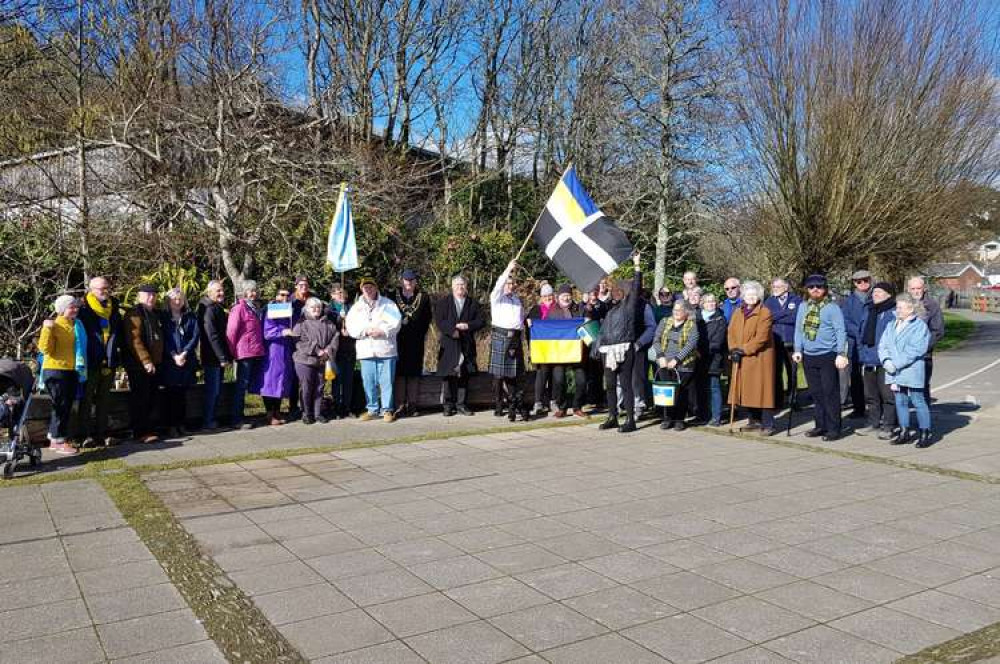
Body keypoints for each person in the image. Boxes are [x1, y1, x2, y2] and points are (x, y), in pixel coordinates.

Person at [793, 274, 849, 441]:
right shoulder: (803, 307)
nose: (815, 290)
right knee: (816, 393)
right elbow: (798, 329)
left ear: (825, 289)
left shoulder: (832, 308)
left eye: (818, 286)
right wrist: (798, 349)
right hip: (809, 355)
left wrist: (841, 353)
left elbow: (840, 331)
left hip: (828, 355)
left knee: (830, 392)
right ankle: (820, 425)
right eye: (811, 287)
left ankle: (834, 428)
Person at [74, 276, 124, 447]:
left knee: (104, 399)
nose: (105, 291)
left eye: (107, 288)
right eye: (101, 289)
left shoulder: (114, 307)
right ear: (91, 290)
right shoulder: (83, 309)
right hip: (90, 361)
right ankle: (84, 435)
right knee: (86, 399)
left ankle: (103, 434)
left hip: (109, 359)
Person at [879, 293, 933, 447]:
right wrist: (886, 361)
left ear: (911, 309)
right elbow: (882, 345)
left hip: (911, 369)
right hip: (893, 370)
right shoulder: (891, 324)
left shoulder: (919, 326)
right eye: (897, 306)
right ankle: (904, 431)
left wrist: (895, 364)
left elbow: (915, 350)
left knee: (917, 400)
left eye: (901, 307)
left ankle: (925, 432)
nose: (898, 310)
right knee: (900, 400)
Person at [597, 252, 643, 433]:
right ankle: (612, 416)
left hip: (625, 347)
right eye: (613, 292)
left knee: (625, 384)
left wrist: (637, 265)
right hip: (607, 349)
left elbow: (638, 286)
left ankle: (631, 419)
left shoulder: (629, 306)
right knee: (609, 385)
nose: (615, 294)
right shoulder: (608, 308)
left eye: (618, 292)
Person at [345, 276, 401, 421]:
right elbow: (351, 326)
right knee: (368, 382)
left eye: (371, 287)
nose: (368, 290)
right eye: (365, 288)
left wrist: (382, 331)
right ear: (361, 289)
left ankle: (387, 410)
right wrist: (365, 331)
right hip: (366, 350)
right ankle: (372, 409)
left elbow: (396, 323)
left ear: (376, 288)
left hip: (385, 349)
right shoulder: (356, 308)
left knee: (386, 382)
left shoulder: (388, 305)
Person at [728, 281, 778, 435]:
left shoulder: (765, 312)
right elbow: (730, 332)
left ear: (759, 296)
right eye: (748, 294)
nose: (751, 297)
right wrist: (734, 349)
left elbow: (761, 338)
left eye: (754, 294)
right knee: (748, 390)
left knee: (763, 391)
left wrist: (743, 349)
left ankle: (768, 424)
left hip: (760, 358)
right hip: (742, 357)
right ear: (743, 295)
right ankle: (753, 421)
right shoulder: (738, 312)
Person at [38, 295, 83, 455]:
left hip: (71, 370)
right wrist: (46, 329)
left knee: (65, 406)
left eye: (75, 306)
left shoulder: (75, 325)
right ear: (62, 309)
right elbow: (45, 349)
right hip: (56, 370)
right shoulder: (55, 325)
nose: (75, 309)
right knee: (60, 406)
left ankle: (55, 439)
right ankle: (59, 441)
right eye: (71, 307)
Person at [435, 275, 485, 416]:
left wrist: (468, 325)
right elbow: (439, 321)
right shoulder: (443, 303)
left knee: (464, 375)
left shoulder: (472, 303)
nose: (460, 287)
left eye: (462, 284)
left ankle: (461, 404)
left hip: (466, 343)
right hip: (449, 344)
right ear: (452, 286)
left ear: (466, 286)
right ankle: (448, 405)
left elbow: (481, 321)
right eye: (457, 285)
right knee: (448, 375)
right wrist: (452, 331)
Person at [285, 297, 339, 424]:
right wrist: (317, 350)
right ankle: (306, 413)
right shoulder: (300, 323)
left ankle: (318, 412)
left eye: (318, 307)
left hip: (322, 360)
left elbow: (335, 337)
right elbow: (299, 341)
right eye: (312, 307)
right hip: (304, 360)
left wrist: (328, 350)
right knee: (306, 387)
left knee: (320, 387)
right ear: (307, 309)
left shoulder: (328, 323)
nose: (316, 309)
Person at [124, 285, 165, 443]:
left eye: (154, 295)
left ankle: (150, 429)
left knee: (152, 397)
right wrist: (146, 360)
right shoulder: (134, 314)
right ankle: (140, 431)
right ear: (139, 297)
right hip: (138, 365)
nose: (151, 298)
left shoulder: (154, 314)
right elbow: (134, 340)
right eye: (147, 295)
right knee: (141, 398)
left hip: (155, 363)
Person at [489, 260, 528, 421]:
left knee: (514, 375)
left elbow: (519, 319)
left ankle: (513, 404)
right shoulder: (496, 298)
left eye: (512, 283)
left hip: (515, 338)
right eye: (508, 283)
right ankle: (498, 404)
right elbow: (498, 284)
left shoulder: (517, 300)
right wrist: (508, 268)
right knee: (498, 375)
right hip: (501, 336)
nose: (510, 286)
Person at [858, 282, 897, 439]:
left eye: (879, 292)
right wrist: (862, 354)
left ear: (888, 295)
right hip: (868, 359)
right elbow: (861, 333)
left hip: (886, 361)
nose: (875, 294)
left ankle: (888, 426)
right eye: (874, 292)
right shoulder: (868, 310)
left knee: (888, 396)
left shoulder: (893, 312)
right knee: (871, 395)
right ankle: (873, 423)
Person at [652, 300, 700, 430]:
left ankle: (679, 419)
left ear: (686, 312)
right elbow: (656, 339)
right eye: (675, 310)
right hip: (664, 362)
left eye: (680, 310)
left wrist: (676, 360)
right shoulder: (664, 321)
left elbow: (691, 344)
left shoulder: (691, 325)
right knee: (667, 392)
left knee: (681, 393)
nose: (676, 313)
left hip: (683, 364)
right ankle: (667, 418)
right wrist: (661, 356)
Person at [160, 288, 199, 438]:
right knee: (171, 395)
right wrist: (174, 355)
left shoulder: (190, 317)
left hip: (186, 360)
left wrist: (184, 353)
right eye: (174, 299)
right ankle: (171, 426)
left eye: (180, 298)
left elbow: (194, 337)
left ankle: (181, 424)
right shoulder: (163, 318)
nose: (177, 301)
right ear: (168, 301)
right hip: (170, 362)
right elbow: (164, 339)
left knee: (183, 395)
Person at [392, 269, 432, 417]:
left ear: (416, 281)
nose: (409, 283)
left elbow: (427, 318)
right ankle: (400, 405)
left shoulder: (423, 297)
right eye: (406, 280)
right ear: (402, 280)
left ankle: (413, 405)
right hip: (398, 339)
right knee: (400, 373)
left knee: (414, 373)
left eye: (412, 280)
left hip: (416, 340)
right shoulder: (393, 296)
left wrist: (420, 334)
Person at [226, 280, 265, 430]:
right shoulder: (239, 309)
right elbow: (231, 332)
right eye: (250, 291)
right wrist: (231, 353)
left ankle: (243, 415)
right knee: (241, 386)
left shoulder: (255, 308)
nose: (253, 293)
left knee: (247, 385)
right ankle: (236, 419)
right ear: (244, 292)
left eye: (255, 290)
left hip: (255, 351)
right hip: (244, 353)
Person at [547, 284, 588, 418]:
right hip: (559, 353)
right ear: (558, 297)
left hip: (577, 351)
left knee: (581, 380)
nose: (567, 297)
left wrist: (588, 312)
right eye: (564, 295)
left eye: (569, 295)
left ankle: (577, 406)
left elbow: (587, 321)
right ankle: (562, 407)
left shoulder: (579, 309)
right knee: (558, 380)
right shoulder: (552, 312)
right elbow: (547, 331)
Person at [197, 281, 231, 431]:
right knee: (213, 391)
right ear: (209, 292)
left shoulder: (216, 308)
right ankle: (208, 421)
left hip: (217, 356)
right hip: (213, 358)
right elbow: (212, 335)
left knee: (216, 390)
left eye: (222, 290)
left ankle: (212, 419)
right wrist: (222, 357)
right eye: (218, 291)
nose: (221, 293)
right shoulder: (209, 310)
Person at [763, 278, 802, 407]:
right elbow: (768, 317)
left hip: (792, 341)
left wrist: (777, 316)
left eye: (778, 286)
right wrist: (786, 313)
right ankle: (778, 400)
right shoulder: (769, 301)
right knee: (776, 371)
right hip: (775, 342)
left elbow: (796, 317)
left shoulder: (796, 300)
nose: (775, 289)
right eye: (773, 286)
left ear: (786, 287)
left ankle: (793, 400)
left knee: (792, 371)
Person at [261, 287, 295, 426]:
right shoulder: (271, 309)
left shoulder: (289, 310)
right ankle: (269, 412)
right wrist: (283, 332)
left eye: (288, 295)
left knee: (281, 380)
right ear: (276, 295)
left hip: (286, 349)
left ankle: (277, 411)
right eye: (282, 295)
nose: (285, 297)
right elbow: (267, 332)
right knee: (271, 381)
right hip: (273, 350)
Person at [840, 269, 872, 419]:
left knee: (873, 375)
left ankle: (875, 407)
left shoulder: (875, 297)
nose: (863, 283)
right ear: (854, 283)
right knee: (855, 376)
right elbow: (845, 321)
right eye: (859, 281)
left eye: (866, 280)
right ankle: (859, 408)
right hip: (854, 342)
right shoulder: (848, 301)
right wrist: (858, 331)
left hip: (872, 341)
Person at [906, 277, 944, 400]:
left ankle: (923, 417)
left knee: (921, 388)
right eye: (913, 288)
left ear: (924, 289)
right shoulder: (902, 305)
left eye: (919, 288)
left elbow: (937, 331)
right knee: (901, 389)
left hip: (923, 355)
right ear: (908, 289)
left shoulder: (932, 306)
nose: (916, 291)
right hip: (903, 355)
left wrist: (923, 348)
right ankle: (902, 418)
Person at [699, 293, 728, 426]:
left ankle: (716, 416)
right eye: (708, 301)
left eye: (713, 301)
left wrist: (700, 350)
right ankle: (704, 414)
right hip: (698, 358)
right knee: (702, 387)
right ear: (702, 304)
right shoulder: (697, 318)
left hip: (713, 358)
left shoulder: (720, 319)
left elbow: (718, 341)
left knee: (714, 387)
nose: (711, 304)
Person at [527, 283, 556, 415]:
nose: (548, 298)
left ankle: (552, 401)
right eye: (545, 296)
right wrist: (528, 323)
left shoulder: (558, 309)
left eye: (550, 295)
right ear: (541, 297)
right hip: (542, 348)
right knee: (542, 374)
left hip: (556, 348)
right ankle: (538, 402)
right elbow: (529, 329)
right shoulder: (535, 310)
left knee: (554, 375)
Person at [328, 284, 355, 418]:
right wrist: (340, 318)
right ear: (332, 295)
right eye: (338, 293)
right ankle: (336, 407)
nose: (341, 295)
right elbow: (328, 327)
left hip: (349, 348)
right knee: (336, 379)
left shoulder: (352, 307)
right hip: (336, 349)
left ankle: (347, 406)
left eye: (343, 292)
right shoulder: (329, 309)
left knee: (348, 379)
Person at [632, 288, 657, 419]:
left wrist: (639, 343)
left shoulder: (644, 306)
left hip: (638, 347)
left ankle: (639, 405)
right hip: (623, 346)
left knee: (638, 377)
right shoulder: (621, 305)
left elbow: (651, 327)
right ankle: (623, 405)